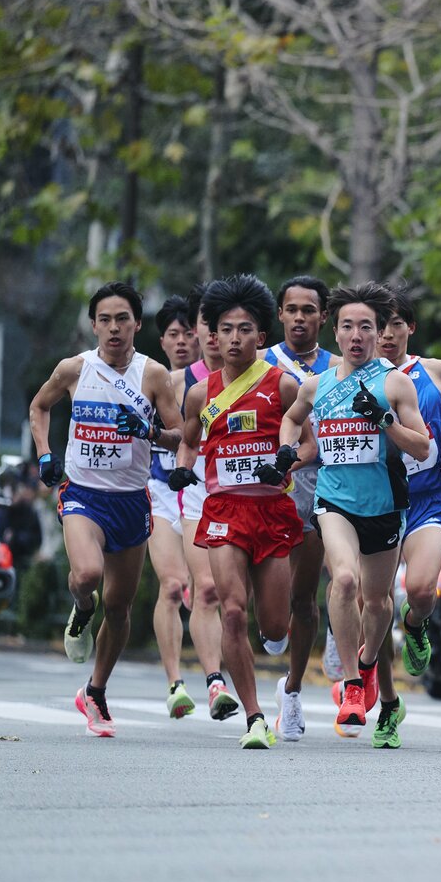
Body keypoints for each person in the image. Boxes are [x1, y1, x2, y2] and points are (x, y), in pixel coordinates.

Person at [27, 281, 185, 737]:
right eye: (105, 320)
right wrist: (44, 453)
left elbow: (179, 437)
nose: (114, 329)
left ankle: (95, 691)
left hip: (132, 499)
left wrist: (149, 431)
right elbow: (40, 407)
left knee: (119, 608)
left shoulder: (153, 375)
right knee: (89, 576)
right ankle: (80, 606)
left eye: (122, 320)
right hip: (84, 493)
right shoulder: (75, 369)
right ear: (93, 324)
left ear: (137, 324)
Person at [276, 282, 428, 746]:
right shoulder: (317, 384)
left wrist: (384, 422)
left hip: (383, 505)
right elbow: (292, 417)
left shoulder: (394, 382)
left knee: (378, 603)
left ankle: (364, 665)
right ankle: (354, 689)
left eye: (366, 326)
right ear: (335, 332)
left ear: (379, 332)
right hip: (334, 499)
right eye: (347, 326)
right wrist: (286, 450)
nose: (357, 335)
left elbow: (422, 446)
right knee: (343, 581)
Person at [170, 274, 306, 750]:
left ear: (261, 337)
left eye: (244, 329)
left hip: (272, 511)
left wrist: (290, 457)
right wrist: (183, 470)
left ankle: (273, 650)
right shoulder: (199, 394)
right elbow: (189, 442)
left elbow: (310, 443)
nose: (233, 338)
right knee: (230, 611)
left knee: (273, 626)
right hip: (224, 510)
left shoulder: (283, 386)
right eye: (225, 329)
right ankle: (254, 718)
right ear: (213, 335)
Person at [372, 284, 441, 729]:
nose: (388, 335)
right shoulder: (353, 376)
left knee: (420, 590)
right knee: (372, 604)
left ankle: (416, 626)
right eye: (380, 326)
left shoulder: (435, 371)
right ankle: (384, 700)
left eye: (397, 324)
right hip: (374, 501)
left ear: (410, 327)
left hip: (429, 498)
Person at [263, 276, 337, 738]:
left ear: (323, 317)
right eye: (291, 309)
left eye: (309, 310)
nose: (299, 318)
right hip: (270, 490)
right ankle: (274, 630)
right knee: (276, 606)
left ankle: (291, 692)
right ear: (280, 314)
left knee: (305, 597)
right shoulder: (260, 363)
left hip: (327, 486)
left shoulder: (342, 364)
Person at [144, 296, 212, 719]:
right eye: (174, 334)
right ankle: (174, 683)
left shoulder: (212, 384)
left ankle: (215, 678)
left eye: (190, 332)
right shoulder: (153, 381)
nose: (184, 340)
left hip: (201, 489)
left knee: (206, 590)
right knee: (171, 586)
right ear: (163, 341)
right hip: (160, 491)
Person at [174, 282, 239, 721]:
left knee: (244, 601)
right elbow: (176, 435)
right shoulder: (181, 382)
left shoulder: (264, 372)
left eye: (228, 327)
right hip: (198, 492)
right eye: (210, 325)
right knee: (210, 590)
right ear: (199, 331)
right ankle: (215, 683)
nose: (218, 336)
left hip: (250, 494)